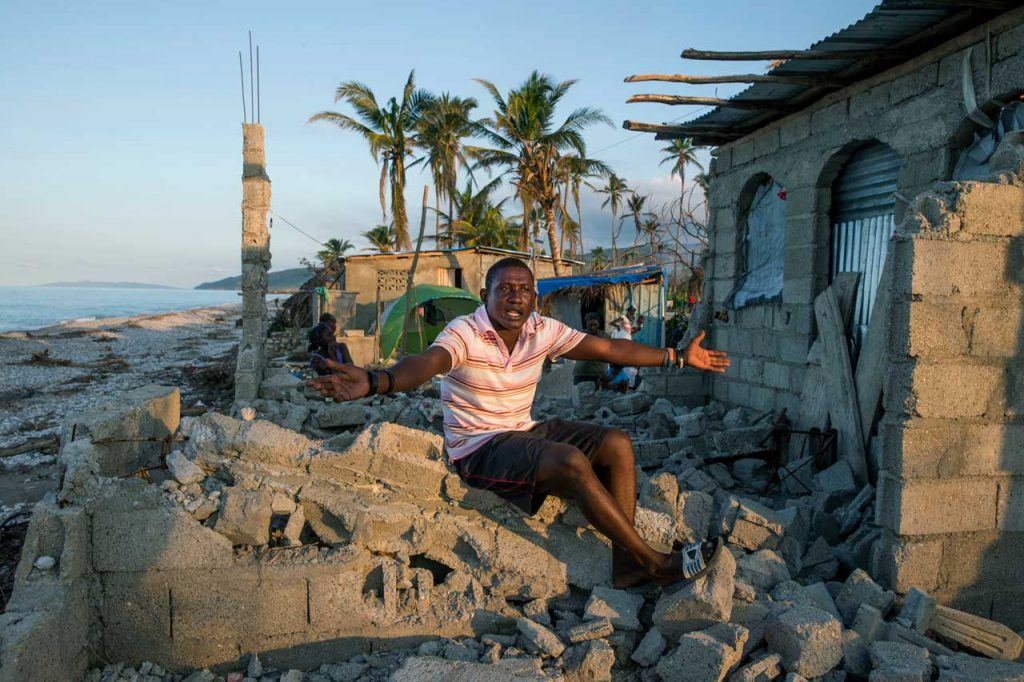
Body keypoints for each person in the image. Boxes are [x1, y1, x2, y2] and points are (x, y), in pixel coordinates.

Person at [309, 257, 730, 589]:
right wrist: (377, 380)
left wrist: (675, 356)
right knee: (568, 460)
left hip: (522, 430)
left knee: (617, 442)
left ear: (535, 298)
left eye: (524, 290)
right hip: (479, 448)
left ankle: (626, 568)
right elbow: (427, 363)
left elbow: (607, 348)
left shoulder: (540, 330)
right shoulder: (465, 332)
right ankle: (652, 561)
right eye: (505, 289)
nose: (515, 297)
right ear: (483, 294)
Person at [572, 313, 609, 385]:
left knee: (597, 395)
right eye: (590, 325)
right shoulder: (579, 335)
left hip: (598, 373)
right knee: (579, 394)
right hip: (581, 372)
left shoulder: (605, 336)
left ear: (599, 323)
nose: (593, 327)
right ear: (586, 324)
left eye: (595, 325)